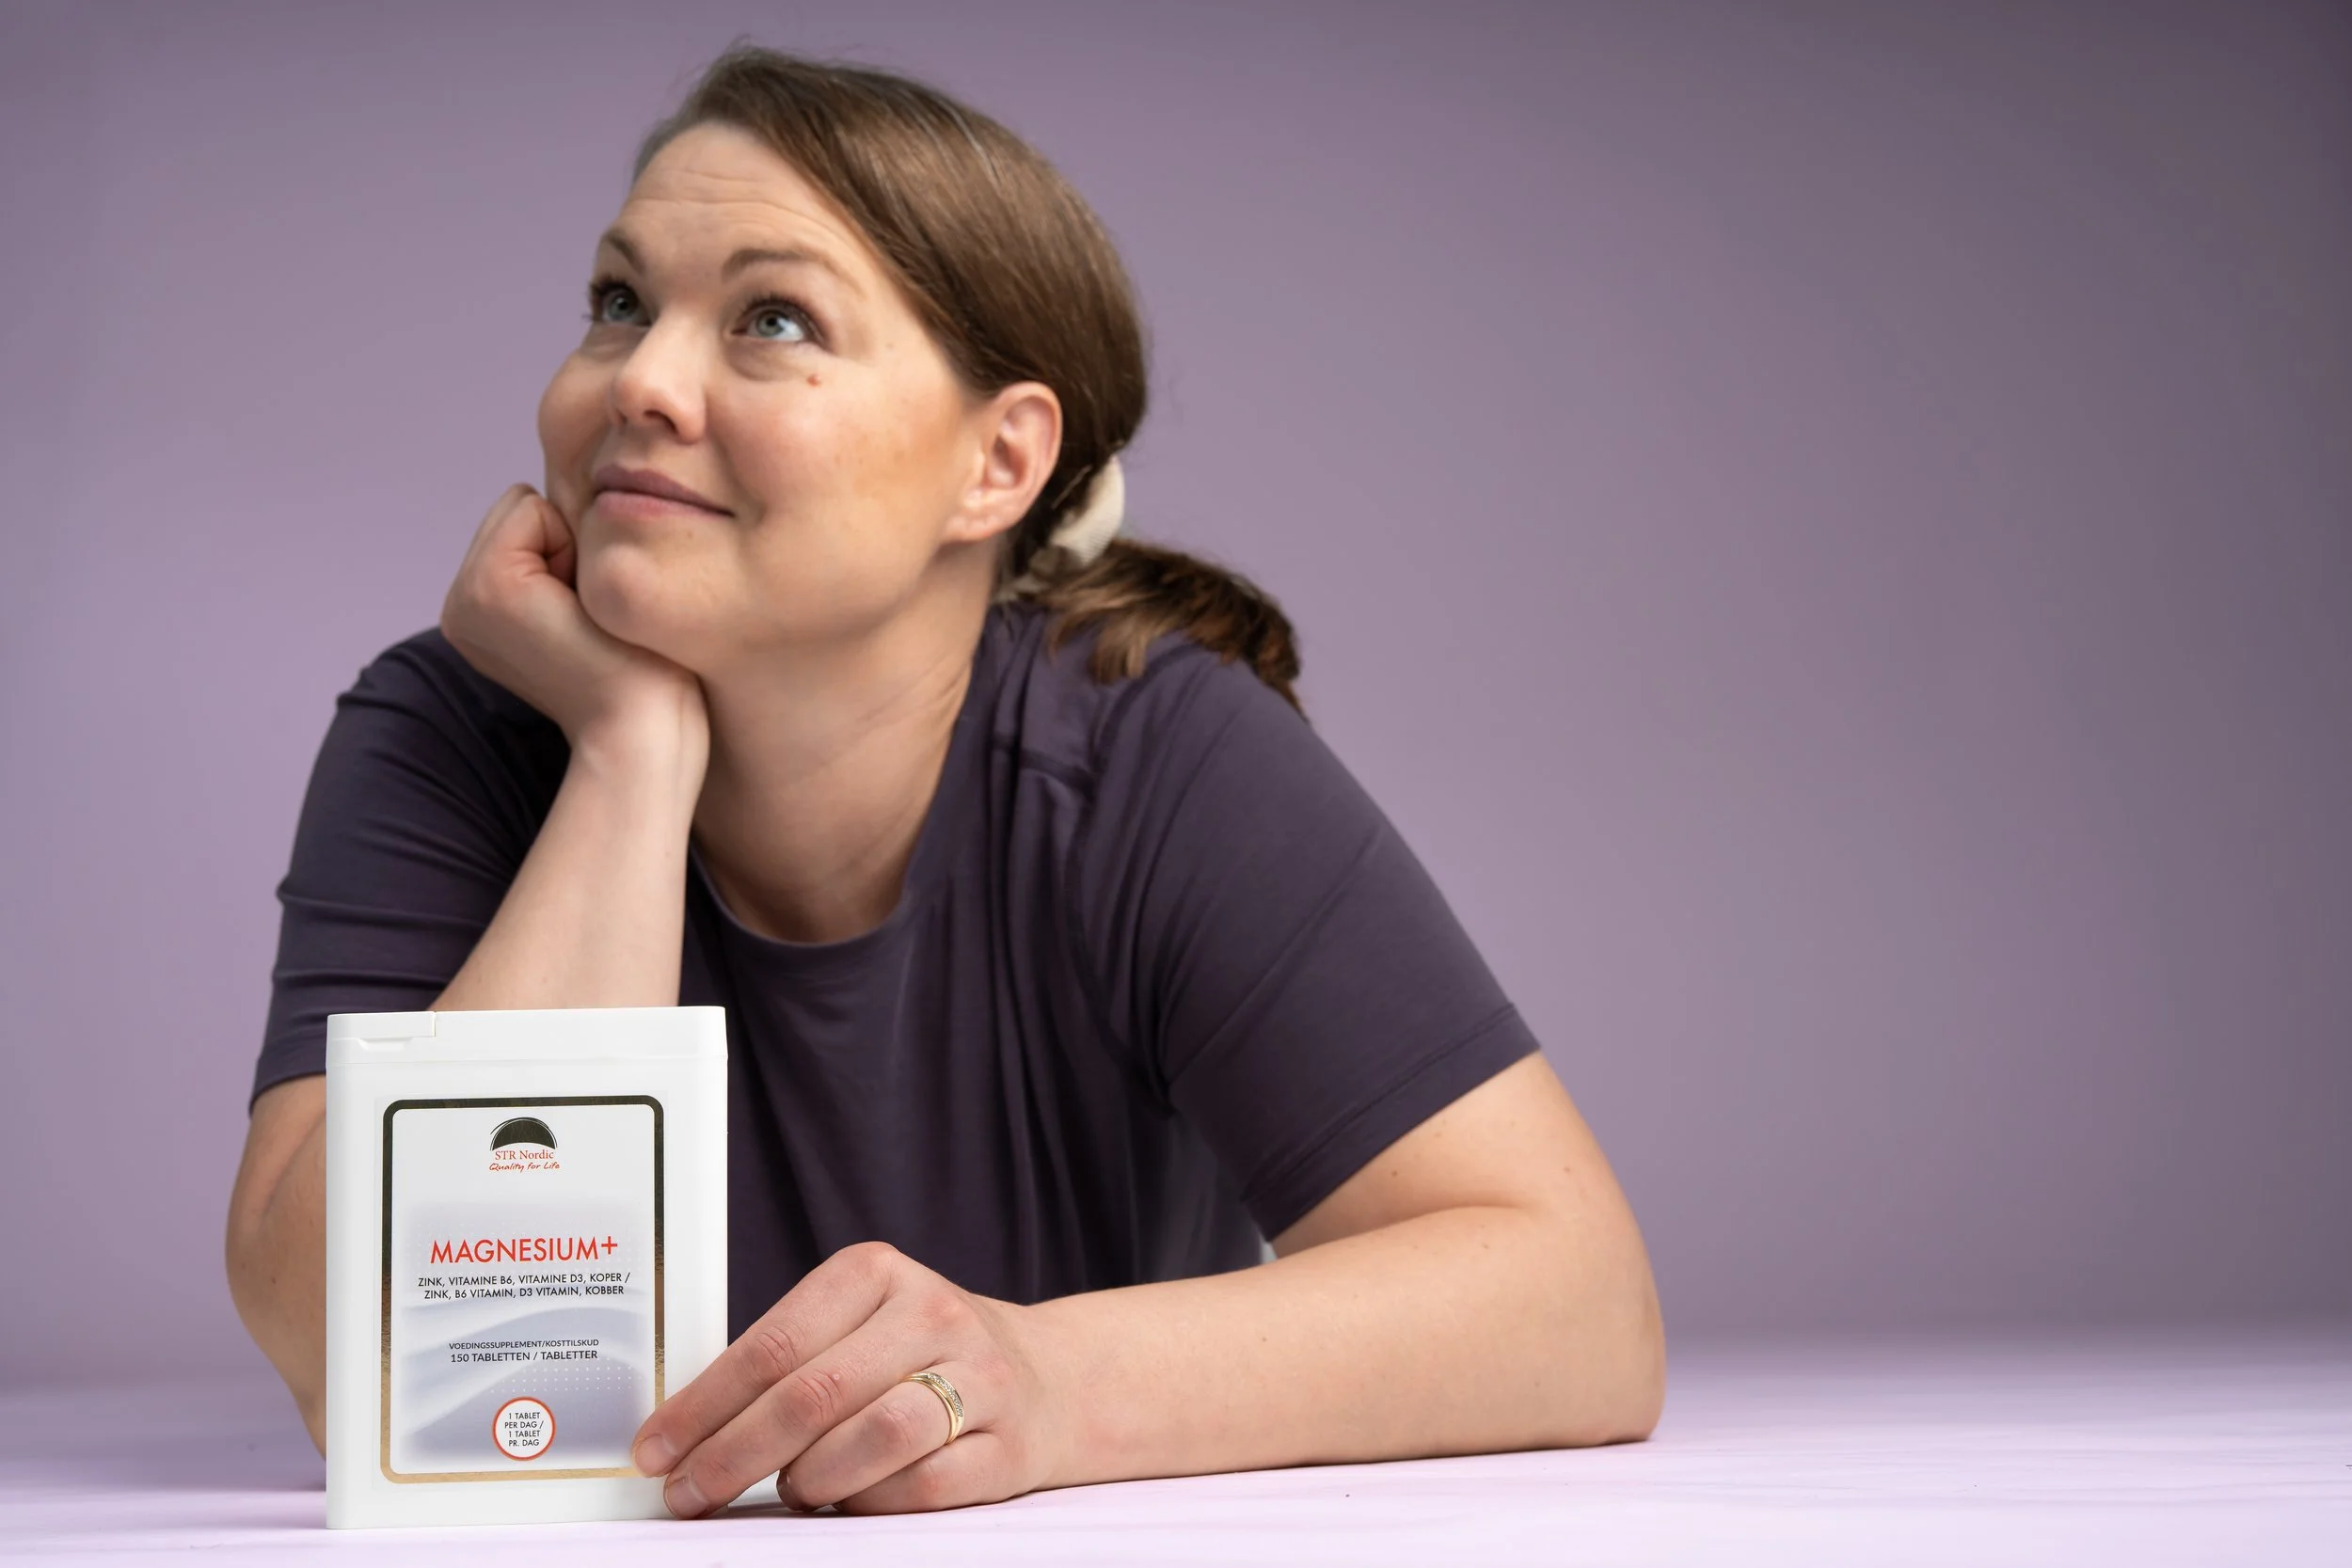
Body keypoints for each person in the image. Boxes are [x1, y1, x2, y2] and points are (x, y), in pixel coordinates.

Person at [224, 45, 1663, 1517]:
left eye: (773, 319)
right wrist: (629, 754)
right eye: (619, 303)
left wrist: (1042, 1379)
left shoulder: (1148, 754)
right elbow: (374, 1365)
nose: (642, 381)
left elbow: (1582, 1308)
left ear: (998, 462)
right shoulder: (452, 729)